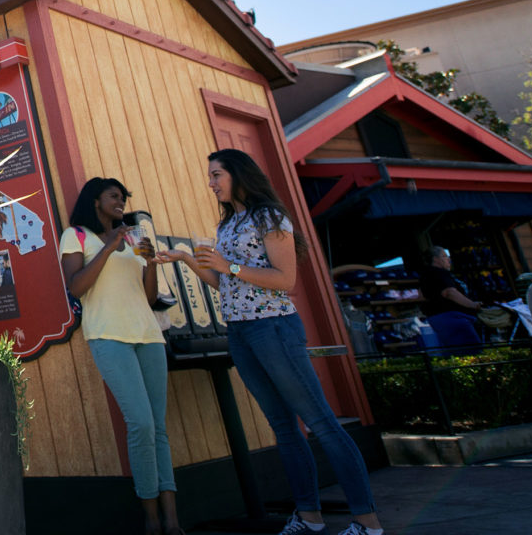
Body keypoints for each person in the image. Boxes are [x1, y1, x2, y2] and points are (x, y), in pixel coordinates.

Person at [161, 149, 385, 535]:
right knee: (283, 427)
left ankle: (367, 521)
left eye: (217, 175)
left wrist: (228, 265)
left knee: (321, 422)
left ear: (239, 175)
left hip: (274, 328)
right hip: (241, 332)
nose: (210, 183)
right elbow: (225, 284)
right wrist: (186, 260)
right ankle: (309, 517)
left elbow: (285, 280)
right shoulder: (228, 224)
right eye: (210, 176)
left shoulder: (270, 217)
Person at [60, 178, 182, 535]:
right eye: (115, 196)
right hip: (108, 337)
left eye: (123, 198)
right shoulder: (76, 236)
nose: (121, 202)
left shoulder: (130, 239)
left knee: (158, 428)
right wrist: (109, 247)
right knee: (141, 424)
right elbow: (77, 287)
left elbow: (148, 298)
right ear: (95, 200)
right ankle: (151, 518)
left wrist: (150, 263)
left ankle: (172, 521)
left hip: (148, 336)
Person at [417, 247, 482, 349]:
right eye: (444, 256)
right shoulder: (438, 273)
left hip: (440, 319)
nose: (448, 259)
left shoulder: (425, 275)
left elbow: (421, 296)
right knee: (470, 352)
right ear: (435, 259)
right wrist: (472, 304)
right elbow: (449, 292)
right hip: (453, 319)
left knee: (456, 352)